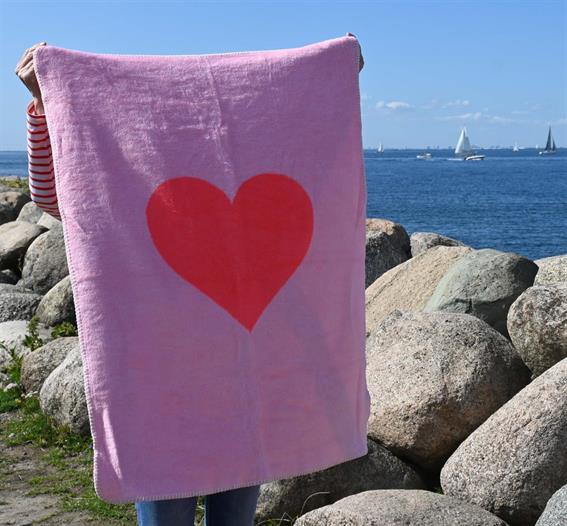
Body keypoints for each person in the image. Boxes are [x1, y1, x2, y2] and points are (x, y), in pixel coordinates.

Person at [15, 36, 364, 526]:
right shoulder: (137, 189)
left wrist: (333, 83)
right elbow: (60, 196)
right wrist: (44, 103)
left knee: (234, 510)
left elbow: (318, 175)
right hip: (161, 373)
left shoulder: (249, 209)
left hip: (240, 369)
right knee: (167, 506)